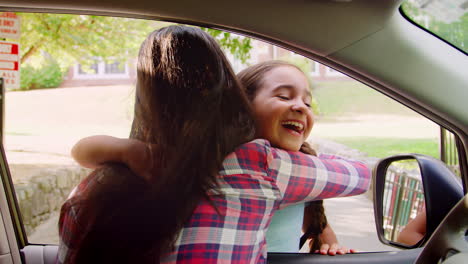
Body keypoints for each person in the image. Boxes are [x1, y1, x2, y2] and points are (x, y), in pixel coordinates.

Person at [59, 26, 370, 264]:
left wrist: (125, 151)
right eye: (283, 96)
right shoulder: (261, 165)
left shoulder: (92, 192)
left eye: (308, 100)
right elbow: (361, 175)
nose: (301, 107)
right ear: (237, 100)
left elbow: (81, 150)